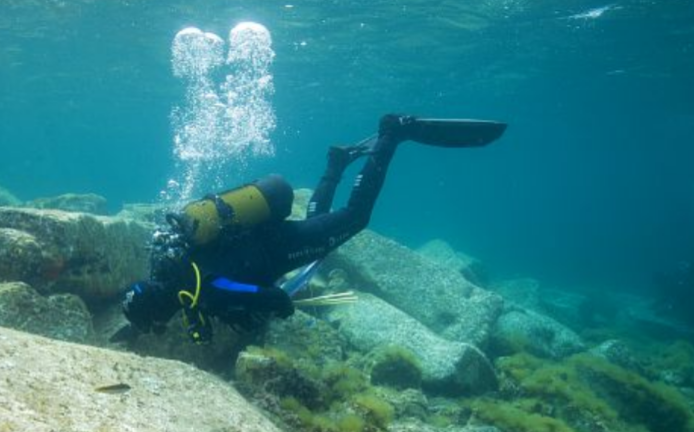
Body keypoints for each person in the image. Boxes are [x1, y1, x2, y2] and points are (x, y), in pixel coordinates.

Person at [116, 113, 507, 344]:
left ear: (157, 308)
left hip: (278, 248)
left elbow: (263, 295)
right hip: (268, 238)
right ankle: (336, 165)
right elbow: (208, 289)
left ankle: (392, 133)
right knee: (318, 232)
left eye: (155, 322)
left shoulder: (198, 288)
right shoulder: (170, 267)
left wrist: (278, 304)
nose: (160, 325)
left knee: (355, 218)